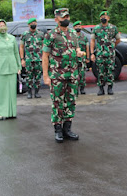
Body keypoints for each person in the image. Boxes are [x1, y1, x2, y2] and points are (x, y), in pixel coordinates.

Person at [42, 8, 84, 143]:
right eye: (62, 17)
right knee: (57, 103)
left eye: (67, 16)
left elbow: (76, 48)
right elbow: (45, 56)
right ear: (56, 20)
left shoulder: (73, 33)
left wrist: (79, 52)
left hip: (72, 74)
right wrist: (45, 76)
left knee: (70, 101)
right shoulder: (51, 35)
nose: (66, 19)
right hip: (57, 75)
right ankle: (58, 130)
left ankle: (67, 128)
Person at [0, 19, 21, 120]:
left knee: (11, 91)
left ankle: (11, 112)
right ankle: (1, 112)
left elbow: (16, 53)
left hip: (11, 67)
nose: (2, 27)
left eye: (4, 25)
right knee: (0, 92)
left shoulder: (12, 38)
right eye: (0, 26)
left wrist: (19, 67)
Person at [90, 11, 121, 96]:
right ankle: (101, 88)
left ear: (108, 18)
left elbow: (118, 39)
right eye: (102, 16)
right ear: (100, 18)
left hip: (110, 54)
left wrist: (112, 46)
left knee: (110, 71)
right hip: (100, 54)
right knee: (100, 71)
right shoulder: (96, 28)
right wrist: (92, 53)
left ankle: (110, 88)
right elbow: (92, 41)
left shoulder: (113, 28)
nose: (104, 18)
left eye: (105, 16)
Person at [20, 17, 45, 99]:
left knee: (38, 77)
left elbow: (43, 46)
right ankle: (29, 93)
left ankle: (37, 93)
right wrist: (22, 59)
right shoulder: (25, 34)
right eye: (32, 23)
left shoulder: (41, 34)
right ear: (29, 25)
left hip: (38, 59)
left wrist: (44, 58)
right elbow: (21, 47)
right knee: (29, 77)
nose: (33, 24)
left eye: (35, 22)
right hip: (29, 60)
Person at [73, 20, 89, 95]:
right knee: (74, 75)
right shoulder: (72, 36)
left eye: (79, 26)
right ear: (73, 27)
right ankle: (75, 90)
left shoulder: (84, 37)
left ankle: (82, 89)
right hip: (74, 59)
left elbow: (87, 47)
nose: (78, 27)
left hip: (82, 59)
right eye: (76, 26)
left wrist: (87, 58)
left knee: (82, 74)